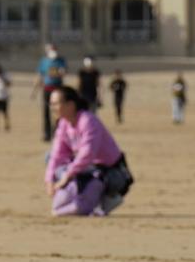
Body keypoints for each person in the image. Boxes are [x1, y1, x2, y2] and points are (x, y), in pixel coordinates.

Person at [44, 87, 132, 217]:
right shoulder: (64, 124)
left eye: (56, 103)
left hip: (109, 172)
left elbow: (87, 154)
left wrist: (67, 176)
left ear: (70, 105)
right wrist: (49, 180)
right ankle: (81, 195)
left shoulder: (88, 121)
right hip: (85, 169)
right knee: (49, 157)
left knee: (76, 200)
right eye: (51, 104)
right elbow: (57, 154)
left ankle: (104, 198)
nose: (52, 107)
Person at [31, 44, 66, 142]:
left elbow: (63, 72)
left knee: (59, 112)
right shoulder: (44, 61)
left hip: (58, 88)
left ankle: (58, 133)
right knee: (46, 112)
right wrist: (34, 91)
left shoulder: (61, 60)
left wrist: (59, 73)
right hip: (47, 89)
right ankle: (47, 134)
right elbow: (39, 76)